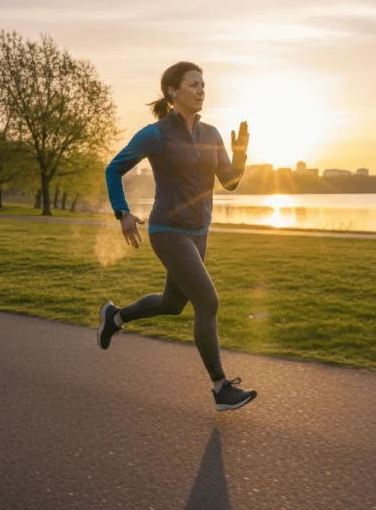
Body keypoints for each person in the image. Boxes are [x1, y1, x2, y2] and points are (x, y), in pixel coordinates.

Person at [98, 61, 257, 412]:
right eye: (194, 85)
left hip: (200, 233)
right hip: (168, 230)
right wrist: (123, 212)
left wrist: (242, 152)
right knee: (208, 301)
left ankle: (115, 317)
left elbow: (229, 182)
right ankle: (220, 387)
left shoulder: (212, 134)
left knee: (173, 304)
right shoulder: (156, 134)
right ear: (173, 92)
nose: (202, 90)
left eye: (203, 85)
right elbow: (114, 169)